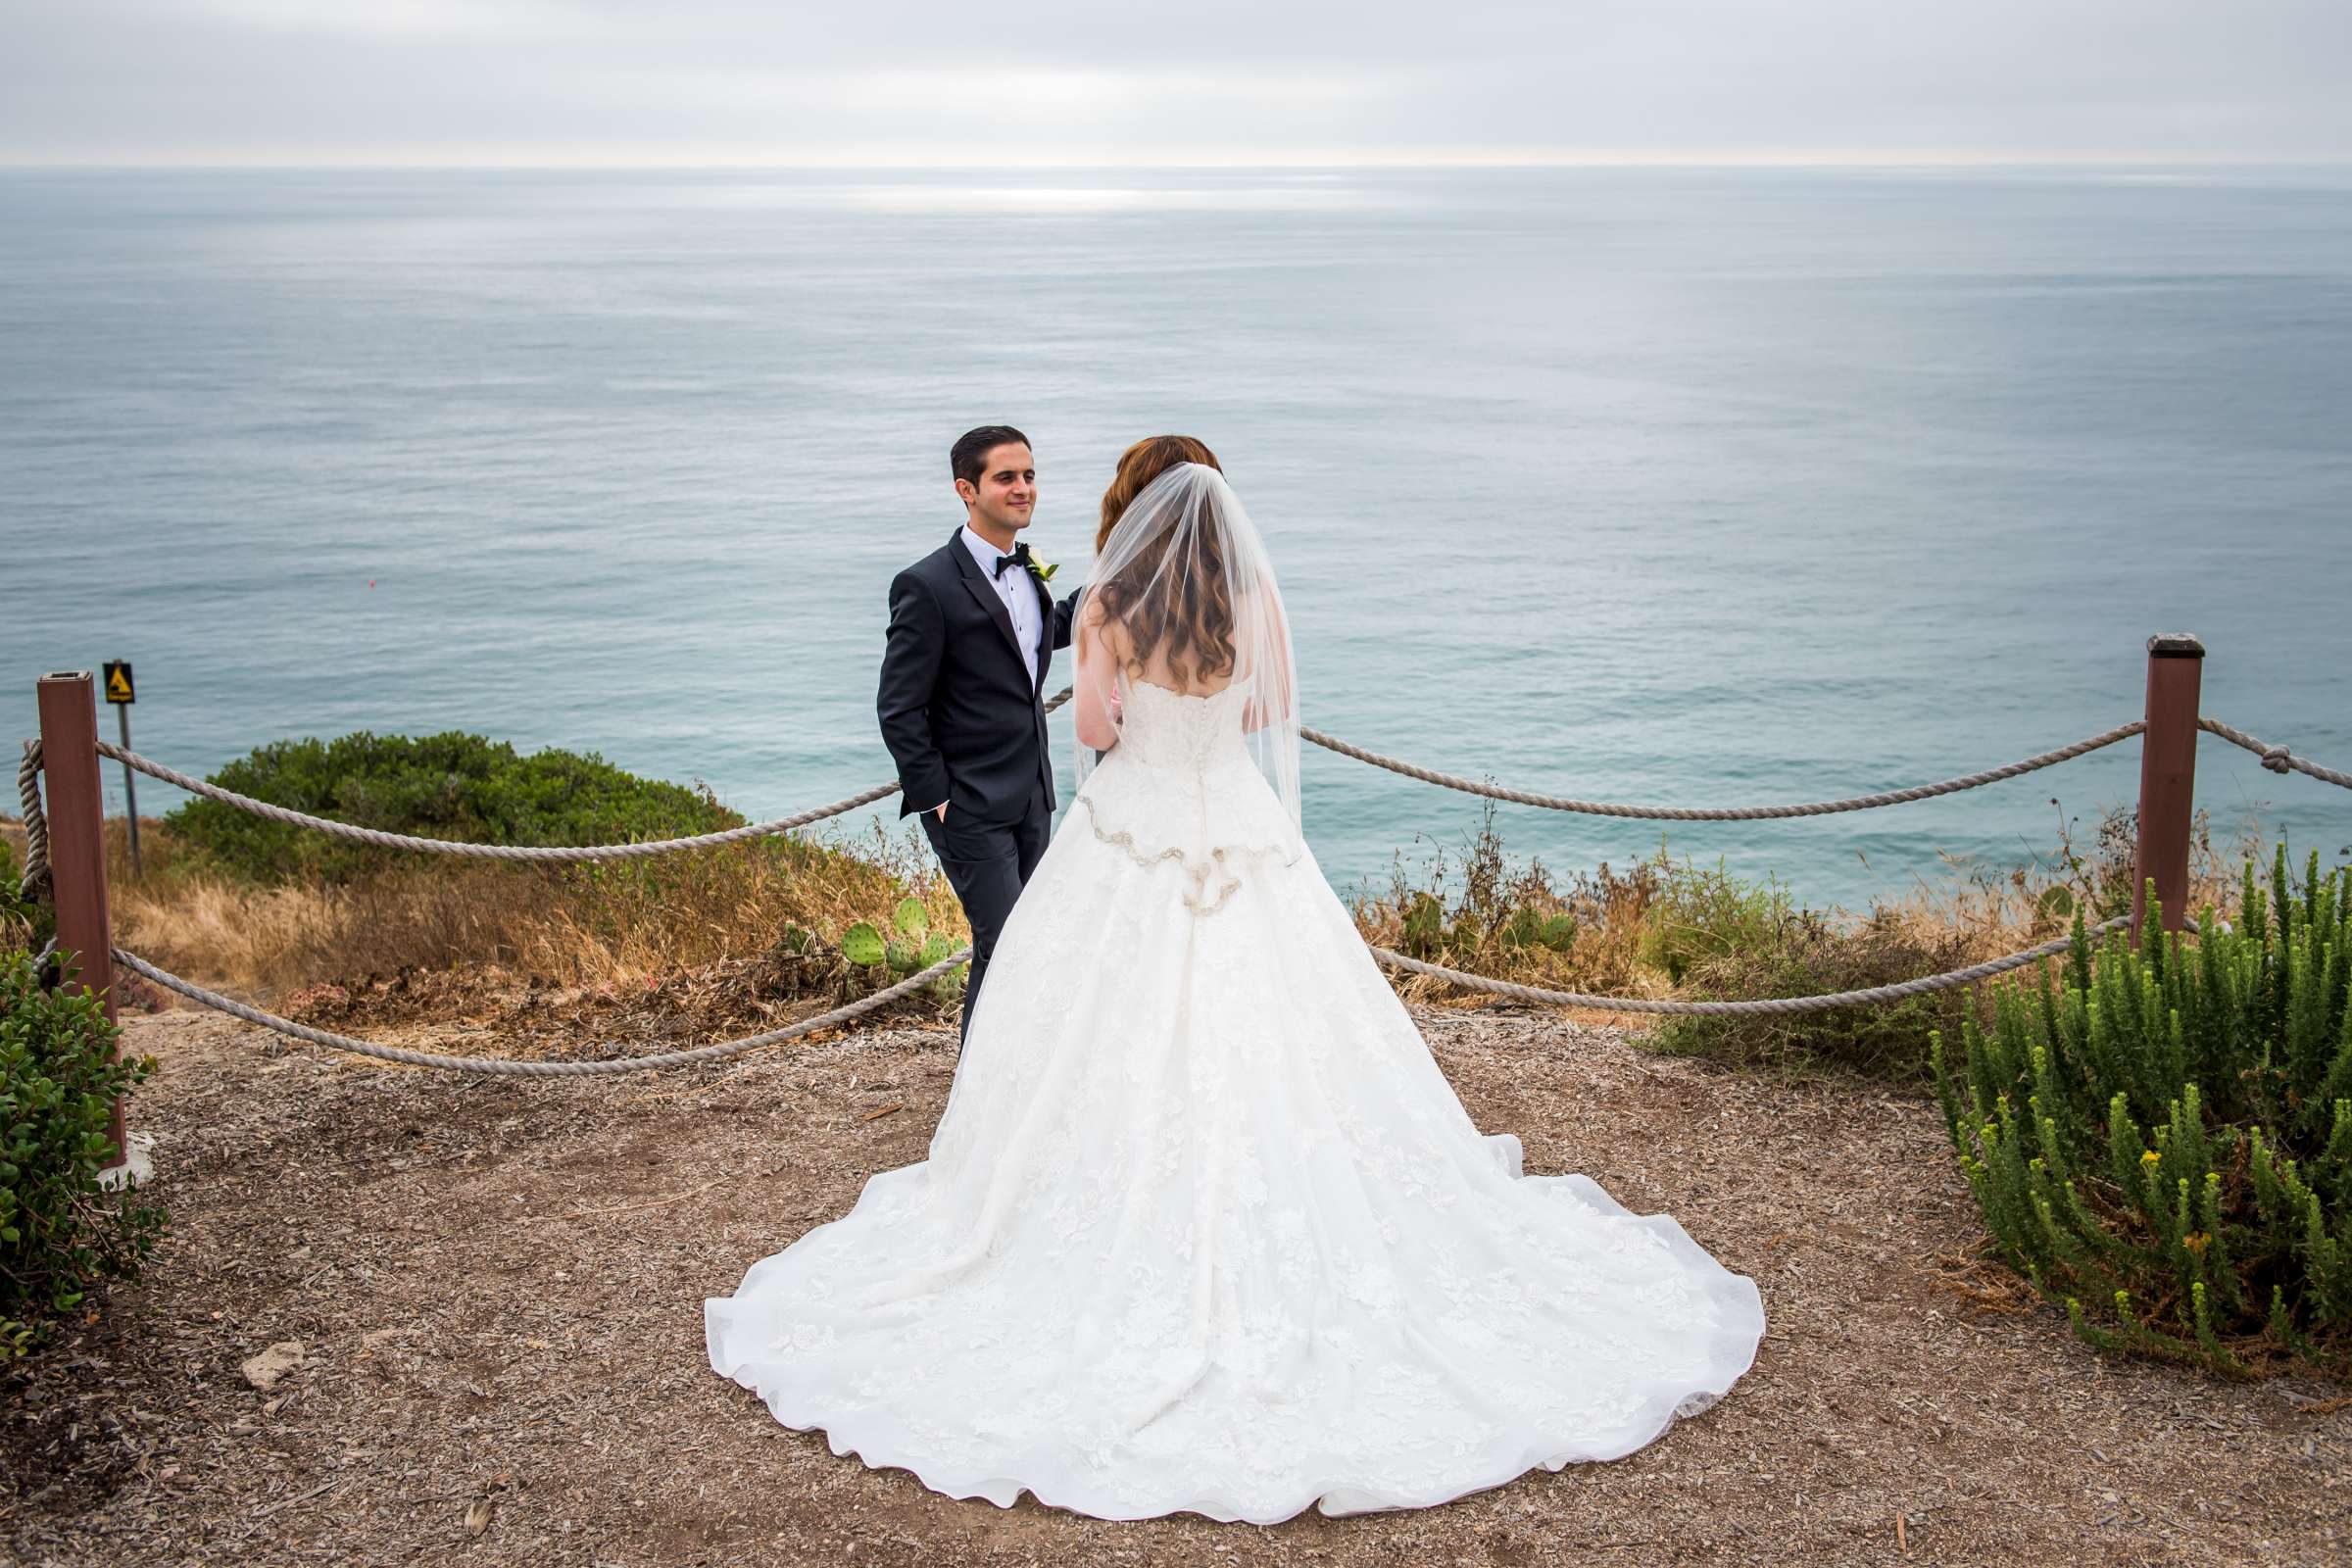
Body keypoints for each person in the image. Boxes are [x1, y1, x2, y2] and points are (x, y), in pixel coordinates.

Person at [708, 438, 1764, 1523]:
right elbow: (1270, 712)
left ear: (1137, 508)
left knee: (1085, 1012)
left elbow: (1088, 725)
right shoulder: (1249, 593)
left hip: (1137, 824)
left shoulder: (1111, 599)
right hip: (1239, 820)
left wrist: (1139, 722)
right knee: (1285, 1019)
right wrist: (1206, 721)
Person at [875, 424, 1082, 1045]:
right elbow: (898, 706)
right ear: (967, 489)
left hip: (1032, 796)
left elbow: (1040, 638)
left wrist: (1117, 584)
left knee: (1021, 942)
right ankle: (979, 1094)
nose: (1024, 488)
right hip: (967, 804)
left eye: (1029, 475)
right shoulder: (928, 585)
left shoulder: (1027, 573)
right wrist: (938, 796)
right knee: (1006, 940)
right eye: (1006, 477)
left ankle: (1002, 1087)